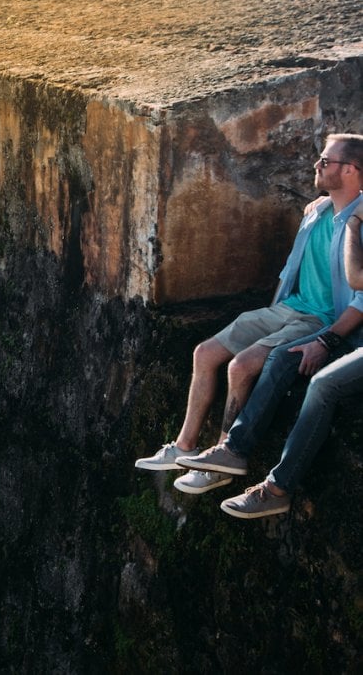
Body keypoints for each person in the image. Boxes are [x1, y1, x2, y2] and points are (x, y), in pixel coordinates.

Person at [135, 133, 363, 497]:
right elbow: (292, 268)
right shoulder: (318, 210)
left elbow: (359, 295)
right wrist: (273, 309)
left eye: (325, 161)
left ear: (351, 170)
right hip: (288, 307)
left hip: (319, 319)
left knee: (240, 366)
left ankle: (222, 460)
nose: (316, 166)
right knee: (205, 353)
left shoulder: (359, 222)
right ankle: (185, 445)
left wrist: (328, 337)